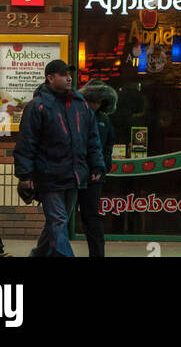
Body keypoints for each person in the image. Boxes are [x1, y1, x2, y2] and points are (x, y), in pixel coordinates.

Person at [14, 59, 104, 258]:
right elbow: (26, 143)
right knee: (58, 220)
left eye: (70, 74)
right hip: (48, 175)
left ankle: (38, 255)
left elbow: (92, 139)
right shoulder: (38, 106)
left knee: (58, 222)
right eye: (63, 75)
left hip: (74, 174)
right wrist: (25, 175)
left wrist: (97, 166)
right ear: (50, 78)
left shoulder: (81, 105)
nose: (69, 78)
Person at [77, 83, 116, 258]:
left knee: (91, 216)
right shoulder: (76, 116)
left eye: (99, 101)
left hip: (95, 175)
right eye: (93, 100)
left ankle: (97, 253)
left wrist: (102, 167)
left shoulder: (104, 120)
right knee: (62, 216)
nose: (96, 104)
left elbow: (107, 146)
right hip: (75, 171)